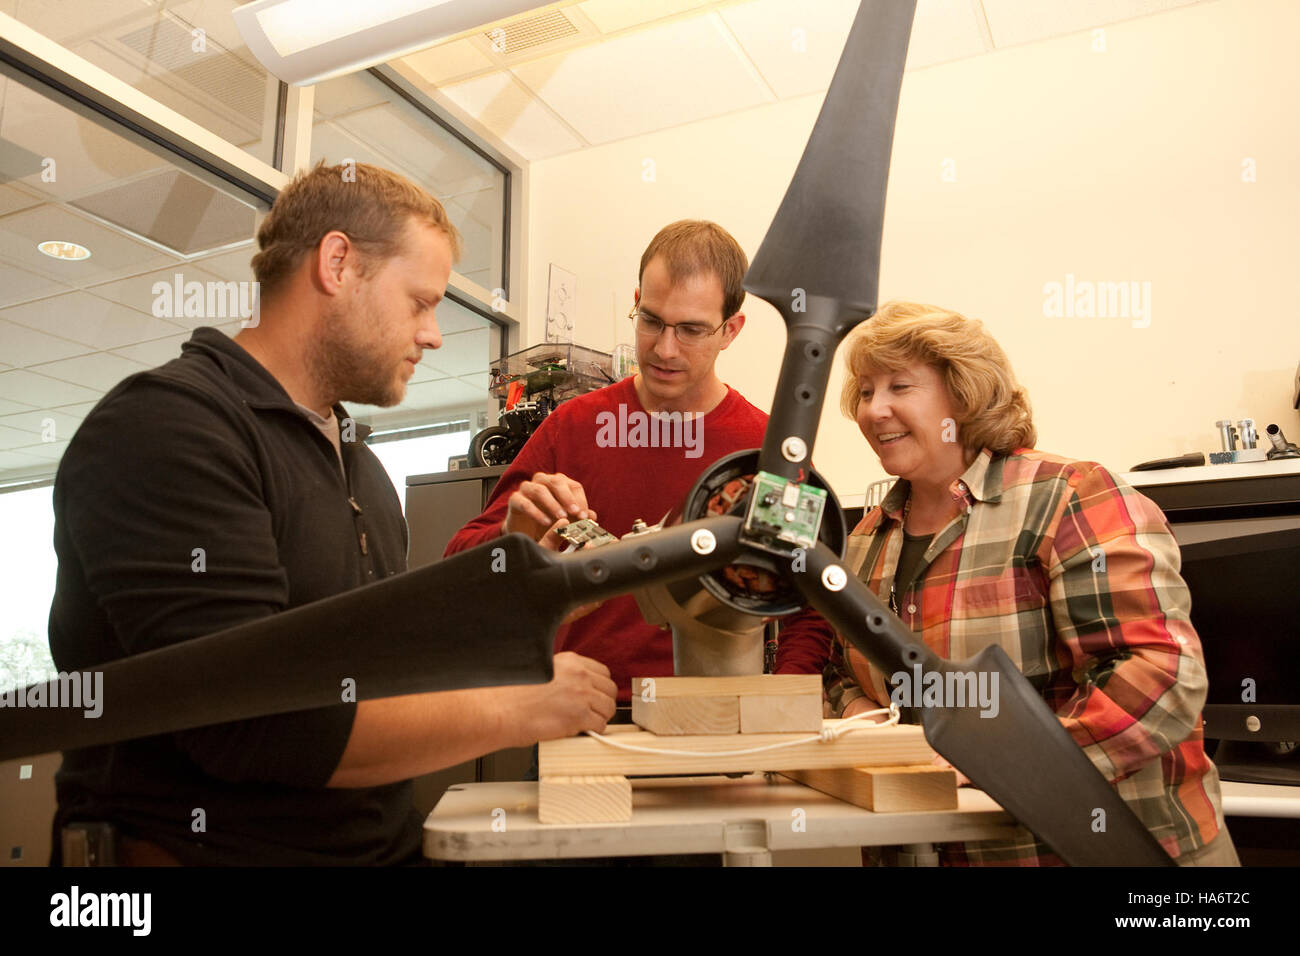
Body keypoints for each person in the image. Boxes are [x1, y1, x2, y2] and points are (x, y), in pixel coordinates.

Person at [47, 161, 616, 866]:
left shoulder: (358, 465)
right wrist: (517, 705)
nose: (435, 334)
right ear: (338, 264)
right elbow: (254, 724)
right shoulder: (170, 429)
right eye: (419, 302)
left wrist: (521, 585)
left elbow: (382, 677)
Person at [776, 300, 1237, 866]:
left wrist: (1001, 765)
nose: (875, 410)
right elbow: (840, 671)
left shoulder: (1070, 497)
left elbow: (1159, 677)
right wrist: (863, 726)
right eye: (866, 391)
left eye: (900, 386)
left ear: (964, 396)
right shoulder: (868, 537)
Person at [448, 220, 815, 703]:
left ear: (731, 330)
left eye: (690, 330)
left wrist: (781, 703)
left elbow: (809, 601)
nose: (664, 349)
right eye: (651, 320)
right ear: (637, 300)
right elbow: (461, 563)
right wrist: (514, 536)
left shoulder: (766, 447)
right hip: (580, 718)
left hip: (719, 725)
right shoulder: (573, 425)